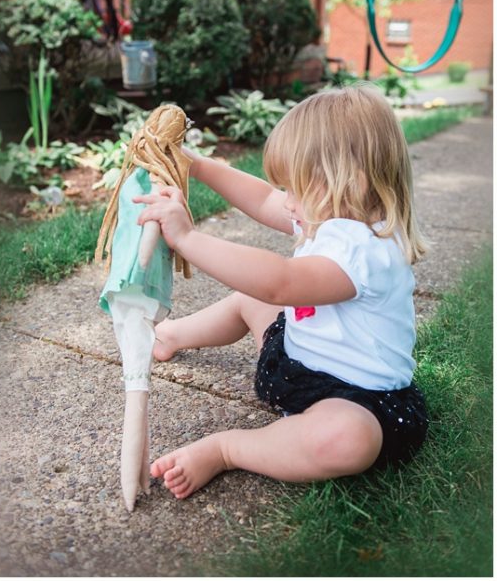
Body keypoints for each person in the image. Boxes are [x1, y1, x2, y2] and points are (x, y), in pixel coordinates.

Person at [133, 85, 429, 500]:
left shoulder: (366, 250)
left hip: (359, 401)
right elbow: (263, 198)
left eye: (296, 190)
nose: (287, 203)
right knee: (251, 302)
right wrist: (196, 165)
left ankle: (227, 448)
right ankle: (173, 334)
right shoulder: (331, 212)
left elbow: (279, 283)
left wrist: (187, 238)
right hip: (294, 362)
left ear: (349, 184)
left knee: (346, 439)